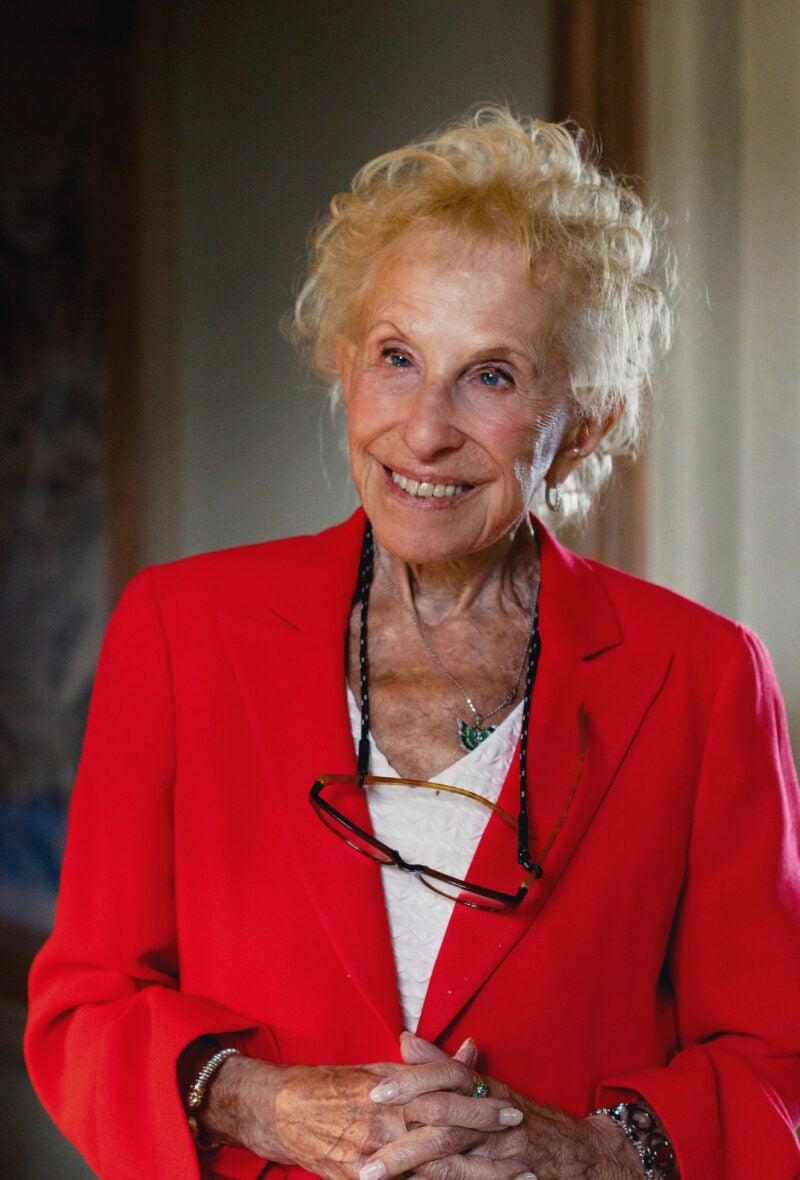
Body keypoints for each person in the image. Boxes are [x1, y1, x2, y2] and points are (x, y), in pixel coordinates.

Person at [25, 109, 800, 1180]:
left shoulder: (702, 677)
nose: (424, 428)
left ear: (584, 418)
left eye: (491, 375)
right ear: (344, 364)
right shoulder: (179, 630)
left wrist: (584, 1149)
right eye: (397, 357)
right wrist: (264, 1103)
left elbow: (773, 1062)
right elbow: (83, 1008)